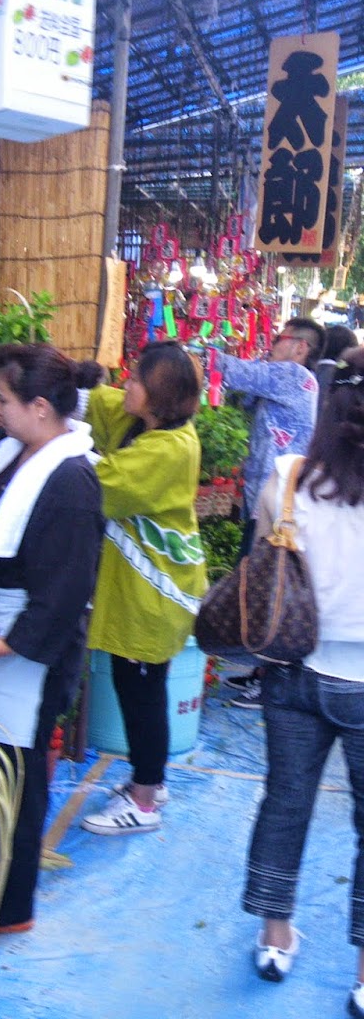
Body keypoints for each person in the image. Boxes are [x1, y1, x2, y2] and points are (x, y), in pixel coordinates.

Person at [0, 345, 104, 934]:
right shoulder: (14, 450)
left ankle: (9, 904)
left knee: (15, 766)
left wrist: (9, 644)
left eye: (3, 400)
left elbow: (66, 590)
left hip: (27, 647)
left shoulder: (71, 482)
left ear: (40, 407)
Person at [239, 347, 364, 1009]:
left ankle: (275, 935)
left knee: (286, 802)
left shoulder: (287, 478)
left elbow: (265, 565)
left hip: (293, 669)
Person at [80, 341, 207, 835]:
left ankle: (145, 800)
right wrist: (75, 382)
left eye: (136, 380)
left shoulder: (168, 449)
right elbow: (100, 403)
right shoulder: (152, 425)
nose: (126, 384)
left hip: (155, 594)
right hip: (153, 587)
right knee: (141, 686)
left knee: (141, 691)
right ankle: (148, 779)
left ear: (157, 398)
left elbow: (99, 484)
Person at [216, 319, 323, 708]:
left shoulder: (294, 375)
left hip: (279, 505)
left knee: (270, 591)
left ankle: (271, 683)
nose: (272, 344)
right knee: (262, 584)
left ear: (300, 348)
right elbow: (241, 394)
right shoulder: (287, 380)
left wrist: (195, 354)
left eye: (279, 339)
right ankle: (262, 671)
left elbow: (237, 372)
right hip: (267, 499)